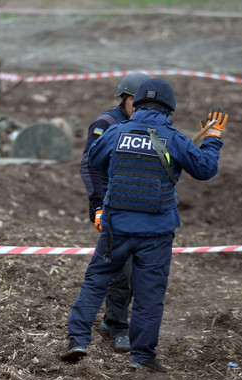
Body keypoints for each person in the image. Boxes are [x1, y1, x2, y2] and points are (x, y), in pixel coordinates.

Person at [61, 78, 227, 372]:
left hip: (116, 230)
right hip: (155, 234)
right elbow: (204, 168)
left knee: (95, 282)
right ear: (169, 108)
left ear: (135, 104)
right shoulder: (173, 138)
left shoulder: (116, 132)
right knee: (149, 295)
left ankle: (78, 340)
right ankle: (142, 357)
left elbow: (95, 161)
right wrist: (212, 137)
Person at [79, 72, 149, 353]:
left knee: (136, 270)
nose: (140, 107)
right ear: (125, 98)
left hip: (139, 209)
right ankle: (116, 325)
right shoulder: (105, 124)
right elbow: (89, 166)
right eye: (136, 101)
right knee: (122, 268)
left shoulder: (148, 126)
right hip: (110, 207)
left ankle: (119, 320)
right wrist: (98, 206)